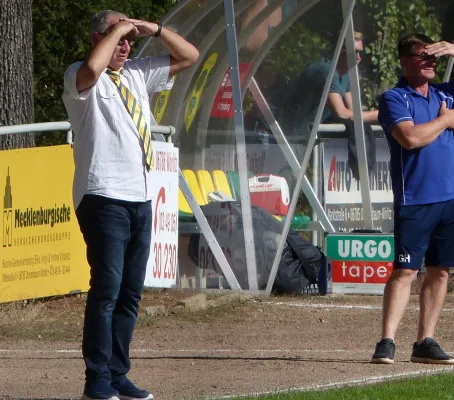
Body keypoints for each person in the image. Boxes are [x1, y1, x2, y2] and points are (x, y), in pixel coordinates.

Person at [62, 10, 199, 400]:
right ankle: (97, 379)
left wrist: (151, 29)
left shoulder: (137, 72)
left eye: (127, 41)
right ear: (96, 37)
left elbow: (190, 56)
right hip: (102, 193)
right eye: (116, 38)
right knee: (106, 288)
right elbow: (92, 68)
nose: (124, 45)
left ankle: (119, 372)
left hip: (139, 196)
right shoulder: (81, 74)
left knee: (130, 293)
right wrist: (120, 27)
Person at [371, 33, 454, 365]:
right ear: (405, 62)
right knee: (405, 270)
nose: (431, 62)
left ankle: (425, 341)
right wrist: (445, 121)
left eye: (435, 57)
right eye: (424, 56)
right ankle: (387, 340)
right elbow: (409, 138)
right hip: (416, 198)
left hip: (450, 199)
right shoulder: (394, 98)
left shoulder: (445, 93)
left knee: (440, 272)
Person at [273, 31, 378, 178]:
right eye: (354, 52)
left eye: (361, 52)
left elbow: (354, 112)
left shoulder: (346, 74)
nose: (359, 57)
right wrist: (380, 114)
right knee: (280, 189)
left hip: (297, 137)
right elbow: (341, 113)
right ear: (340, 50)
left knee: (292, 189)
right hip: (272, 134)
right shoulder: (326, 71)